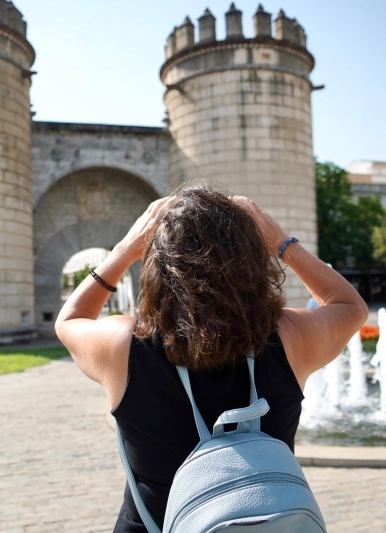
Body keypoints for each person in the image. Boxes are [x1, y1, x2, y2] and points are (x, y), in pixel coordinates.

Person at [55, 186, 369, 531]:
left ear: (159, 264)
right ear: (252, 262)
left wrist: (126, 249)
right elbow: (349, 307)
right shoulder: (289, 336)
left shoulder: (123, 346)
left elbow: (70, 318)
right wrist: (280, 240)